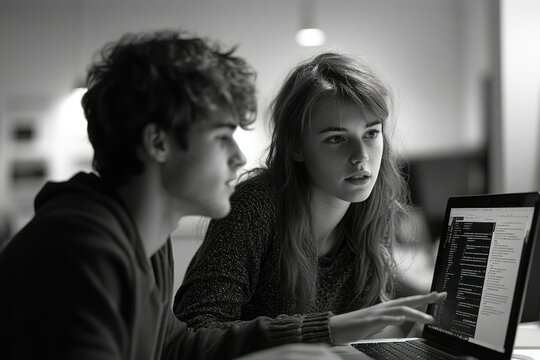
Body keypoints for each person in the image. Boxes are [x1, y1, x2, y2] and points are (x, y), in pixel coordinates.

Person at [0, 30, 343, 360]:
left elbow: (177, 347)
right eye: (222, 137)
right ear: (158, 143)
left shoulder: (141, 240)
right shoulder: (81, 251)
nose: (238, 157)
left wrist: (319, 331)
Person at [174, 52, 446, 339]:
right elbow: (195, 330)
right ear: (296, 148)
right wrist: (325, 331)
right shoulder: (255, 206)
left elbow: (353, 334)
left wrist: (411, 331)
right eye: (336, 138)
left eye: (371, 134)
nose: (361, 157)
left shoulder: (371, 212)